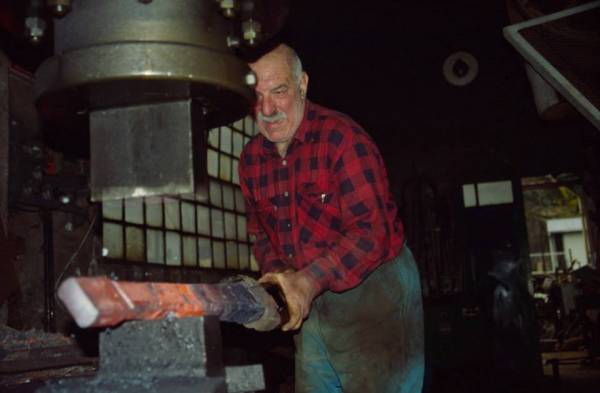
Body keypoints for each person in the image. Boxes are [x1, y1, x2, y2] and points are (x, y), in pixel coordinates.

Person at [239, 43, 424, 393]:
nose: (267, 109)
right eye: (257, 95)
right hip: (309, 297)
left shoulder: (342, 138)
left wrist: (307, 281)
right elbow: (260, 234)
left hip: (372, 292)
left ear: (302, 84)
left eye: (279, 91)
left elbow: (372, 232)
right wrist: (283, 278)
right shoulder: (250, 160)